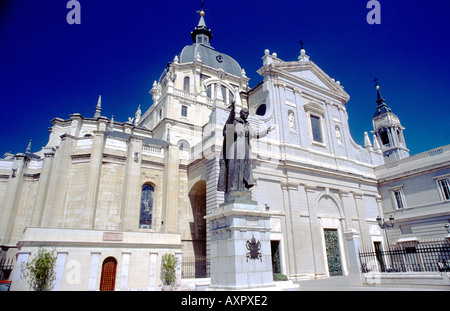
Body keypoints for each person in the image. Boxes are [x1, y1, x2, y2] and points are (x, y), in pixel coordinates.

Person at [217, 101, 275, 198]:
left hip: (245, 150)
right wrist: (232, 111)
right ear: (241, 113)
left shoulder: (247, 125)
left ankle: (242, 188)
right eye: (245, 113)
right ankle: (232, 189)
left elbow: (255, 134)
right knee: (233, 168)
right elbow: (229, 124)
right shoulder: (235, 121)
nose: (246, 115)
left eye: (247, 113)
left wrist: (266, 131)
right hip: (234, 148)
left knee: (243, 168)